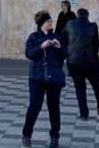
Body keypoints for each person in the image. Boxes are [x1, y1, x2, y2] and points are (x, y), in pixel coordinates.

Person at [22, 11, 66, 148]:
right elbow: (29, 54)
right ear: (41, 24)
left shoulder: (57, 36)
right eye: (48, 22)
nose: (50, 24)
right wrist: (42, 46)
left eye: (51, 22)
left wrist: (59, 48)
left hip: (53, 76)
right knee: (35, 106)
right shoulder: (33, 37)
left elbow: (65, 54)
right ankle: (27, 134)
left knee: (54, 107)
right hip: (36, 77)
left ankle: (54, 136)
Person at [64, 7, 99, 120]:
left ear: (77, 15)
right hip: (90, 61)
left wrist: (68, 54)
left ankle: (84, 113)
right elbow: (97, 43)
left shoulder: (70, 24)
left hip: (74, 62)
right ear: (87, 16)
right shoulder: (93, 26)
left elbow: (64, 40)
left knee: (80, 88)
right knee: (97, 86)